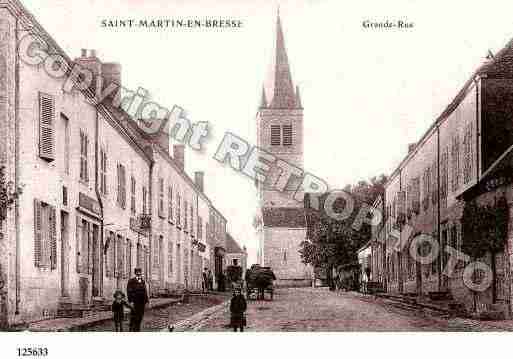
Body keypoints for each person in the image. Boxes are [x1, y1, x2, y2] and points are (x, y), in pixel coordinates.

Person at [126, 267, 149, 332]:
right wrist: (131, 301)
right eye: (137, 272)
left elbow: (145, 291)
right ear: (135, 273)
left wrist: (147, 301)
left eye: (140, 272)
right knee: (134, 317)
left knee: (140, 317)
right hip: (135, 302)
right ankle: (131, 329)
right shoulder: (131, 281)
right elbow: (129, 291)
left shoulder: (143, 281)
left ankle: (137, 329)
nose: (139, 274)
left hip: (142, 303)